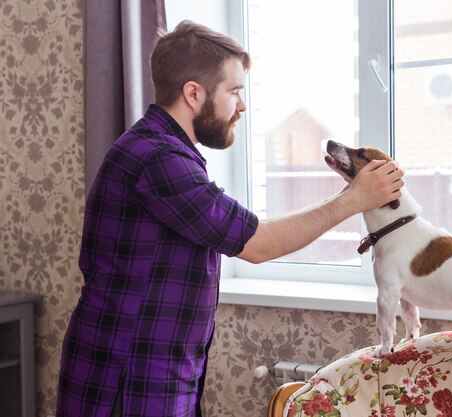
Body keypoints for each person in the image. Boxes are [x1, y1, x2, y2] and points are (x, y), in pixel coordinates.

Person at [56, 20, 404, 417]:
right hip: (127, 373)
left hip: (157, 367)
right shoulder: (159, 159)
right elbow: (258, 243)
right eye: (235, 91)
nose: (241, 105)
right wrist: (352, 202)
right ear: (193, 93)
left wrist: (351, 196)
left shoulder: (167, 151)